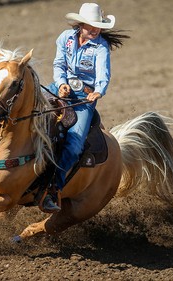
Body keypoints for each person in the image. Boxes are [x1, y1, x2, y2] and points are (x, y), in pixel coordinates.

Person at [43, 3, 129, 212]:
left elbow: (103, 75)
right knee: (27, 109)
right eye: (91, 26)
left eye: (98, 26)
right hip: (60, 88)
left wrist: (98, 91)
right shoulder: (65, 38)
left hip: (84, 98)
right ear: (80, 24)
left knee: (74, 145)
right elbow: (59, 64)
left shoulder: (100, 48)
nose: (95, 29)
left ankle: (54, 189)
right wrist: (61, 83)